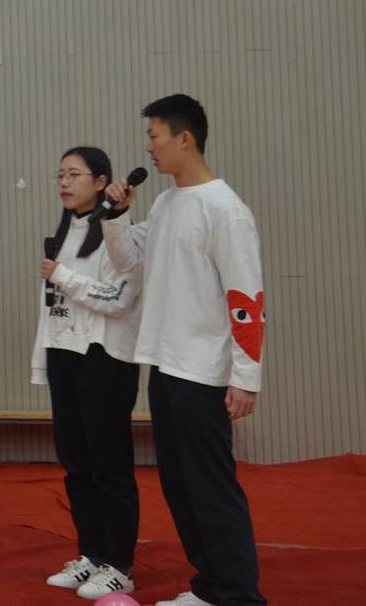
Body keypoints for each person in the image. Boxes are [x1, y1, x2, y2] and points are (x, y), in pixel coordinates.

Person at [102, 95, 266, 606]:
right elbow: (127, 259)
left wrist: (246, 377)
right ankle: (210, 586)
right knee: (179, 485)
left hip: (203, 370)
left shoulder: (225, 210)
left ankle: (237, 595)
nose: (149, 148)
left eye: (154, 136)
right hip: (165, 362)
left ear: (184, 138)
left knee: (211, 487)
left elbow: (246, 299)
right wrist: (116, 215)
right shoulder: (167, 202)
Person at [32, 148, 142, 601]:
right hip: (65, 355)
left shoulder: (120, 235)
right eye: (60, 174)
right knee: (75, 464)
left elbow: (119, 298)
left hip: (104, 359)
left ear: (100, 182)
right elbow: (52, 307)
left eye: (74, 174)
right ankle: (92, 555)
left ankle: (120, 565)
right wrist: (42, 360)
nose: (64, 182)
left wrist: (65, 277)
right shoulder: (64, 232)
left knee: (109, 466)